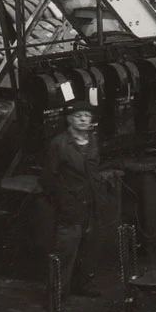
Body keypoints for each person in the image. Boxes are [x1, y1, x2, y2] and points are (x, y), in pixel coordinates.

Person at [41, 104, 115, 295]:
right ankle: (57, 295)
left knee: (89, 249)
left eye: (87, 116)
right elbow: (48, 178)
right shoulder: (59, 144)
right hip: (71, 207)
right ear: (69, 119)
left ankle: (81, 286)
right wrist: (63, 200)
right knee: (65, 251)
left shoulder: (93, 141)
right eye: (78, 116)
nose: (83, 119)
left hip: (93, 205)